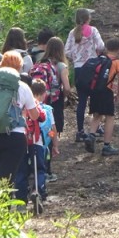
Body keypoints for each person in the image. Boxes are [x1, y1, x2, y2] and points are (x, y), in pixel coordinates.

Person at [0, 50, 39, 185]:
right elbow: (34, 115)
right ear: (19, 67)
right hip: (14, 136)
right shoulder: (22, 86)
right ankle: (4, 205)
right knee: (7, 180)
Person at [64, 8, 105, 142]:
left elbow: (67, 51)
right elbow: (100, 45)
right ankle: (96, 127)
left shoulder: (72, 33)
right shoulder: (93, 31)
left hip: (78, 70)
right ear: (88, 18)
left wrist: (75, 58)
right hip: (92, 69)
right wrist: (95, 54)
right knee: (96, 98)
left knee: (82, 101)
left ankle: (80, 131)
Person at [39, 36, 72, 181]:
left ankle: (39, 165)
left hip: (40, 102)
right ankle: (47, 168)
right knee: (52, 132)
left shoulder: (41, 63)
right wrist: (65, 97)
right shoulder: (61, 66)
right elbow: (67, 87)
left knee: (40, 133)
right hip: (54, 103)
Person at [84, 38, 119, 156]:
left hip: (95, 91)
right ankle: (107, 146)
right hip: (107, 92)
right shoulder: (118, 62)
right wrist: (118, 94)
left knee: (97, 115)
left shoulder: (100, 59)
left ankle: (91, 136)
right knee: (110, 117)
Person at [14, 79, 49, 206]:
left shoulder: (14, 101)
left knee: (21, 170)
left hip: (20, 139)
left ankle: (21, 199)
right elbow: (42, 116)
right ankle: (38, 191)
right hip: (35, 140)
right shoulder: (32, 101)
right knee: (39, 168)